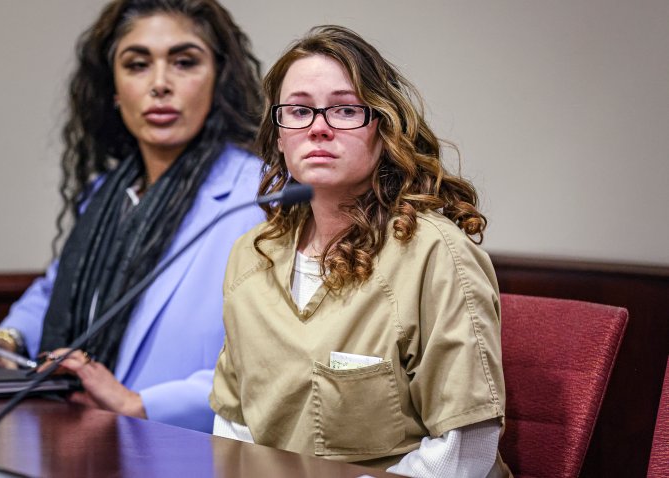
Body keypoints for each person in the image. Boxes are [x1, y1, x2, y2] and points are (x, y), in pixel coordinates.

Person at [0, 0, 264, 433]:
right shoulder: (104, 197)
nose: (160, 84)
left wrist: (142, 404)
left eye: (184, 62)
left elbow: (276, 358)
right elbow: (53, 293)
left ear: (219, 80)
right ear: (114, 88)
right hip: (79, 438)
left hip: (188, 449)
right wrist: (4, 339)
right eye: (137, 64)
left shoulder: (260, 194)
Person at [209, 25, 510, 476]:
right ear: (278, 135)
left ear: (383, 129)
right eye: (299, 111)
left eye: (345, 110)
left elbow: (465, 450)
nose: (319, 129)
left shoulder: (434, 253)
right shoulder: (253, 254)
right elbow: (234, 430)